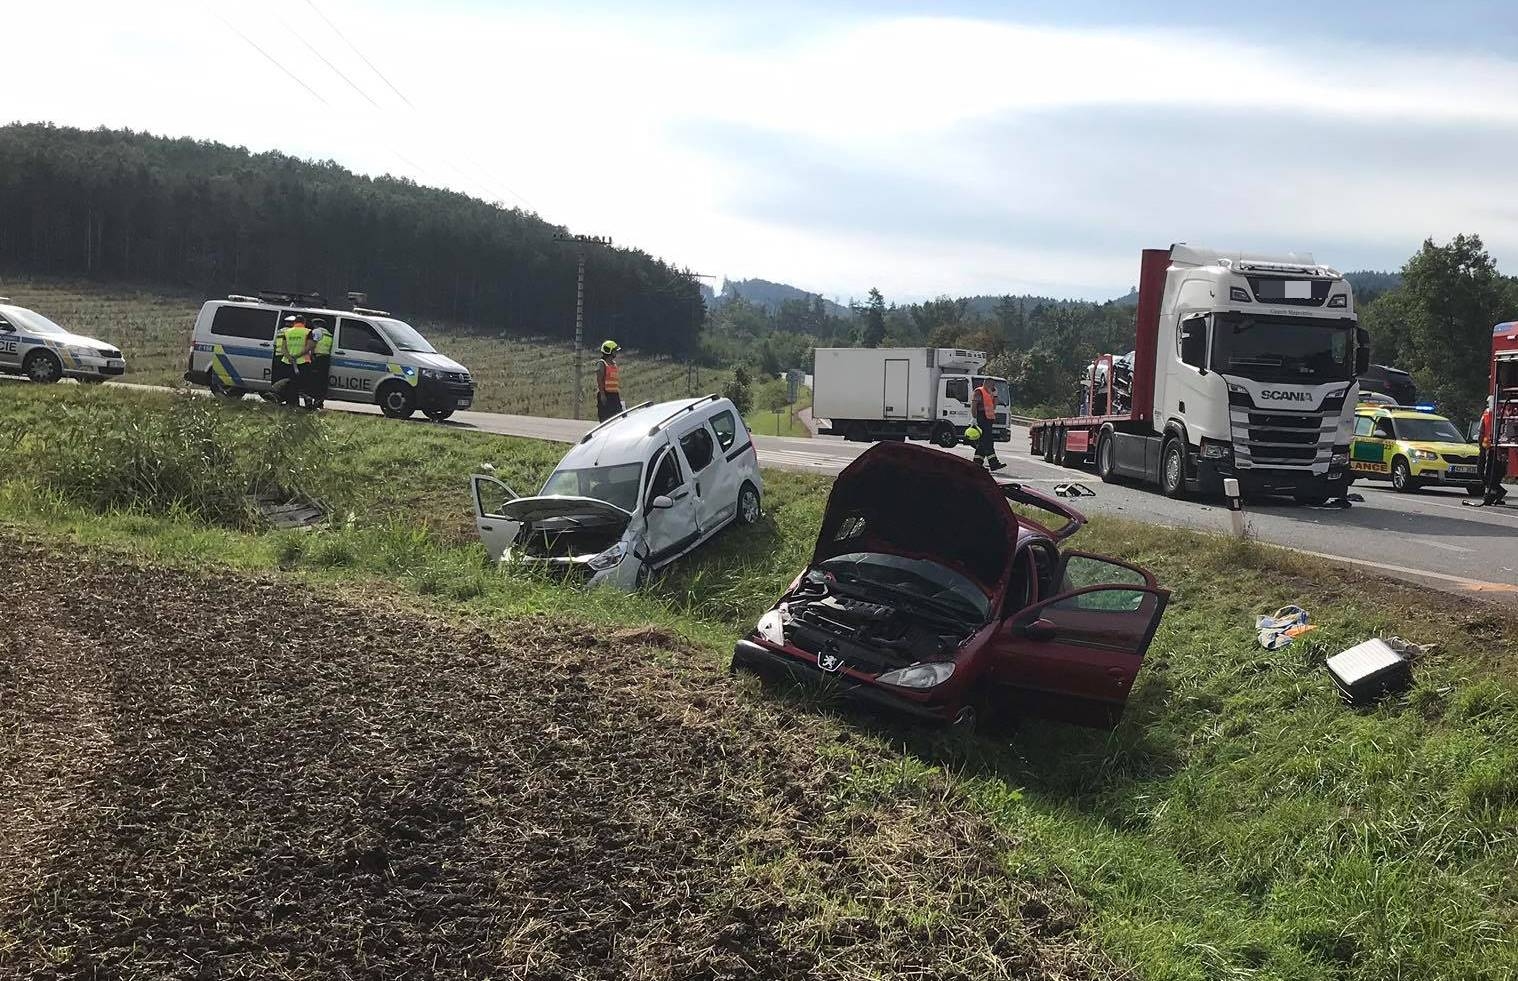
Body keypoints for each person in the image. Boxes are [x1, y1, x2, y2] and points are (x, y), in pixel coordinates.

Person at [1480, 398, 1509, 505]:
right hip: (1487, 447)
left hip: (1498, 448)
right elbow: (1481, 430)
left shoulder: (1504, 411)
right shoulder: (1486, 413)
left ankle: (1492, 494)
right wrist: (1481, 445)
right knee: (1482, 472)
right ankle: (1496, 492)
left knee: (1493, 474)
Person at [971, 379, 1004, 471]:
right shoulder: (979, 391)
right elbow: (974, 405)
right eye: (992, 385)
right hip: (981, 419)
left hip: (988, 420)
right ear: (987, 384)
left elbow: (994, 406)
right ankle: (994, 463)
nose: (994, 387)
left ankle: (977, 464)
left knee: (982, 443)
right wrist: (974, 418)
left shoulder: (990, 394)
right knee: (988, 442)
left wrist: (995, 396)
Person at [282, 314, 313, 407]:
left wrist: (290, 357)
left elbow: (283, 348)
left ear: (294, 322)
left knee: (291, 384)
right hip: (303, 361)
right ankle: (307, 404)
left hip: (289, 362)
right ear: (304, 322)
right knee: (304, 384)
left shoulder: (287, 332)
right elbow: (310, 346)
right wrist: (297, 355)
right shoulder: (308, 332)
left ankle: (292, 404)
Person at [307, 317, 333, 409]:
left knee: (313, 380)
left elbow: (312, 344)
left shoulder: (316, 332)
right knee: (322, 381)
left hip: (317, 358)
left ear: (315, 324)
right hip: (326, 359)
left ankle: (311, 402)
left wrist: (310, 356)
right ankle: (319, 402)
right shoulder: (329, 334)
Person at [270, 316, 296, 402]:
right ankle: (284, 397)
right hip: (285, 357)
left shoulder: (279, 331)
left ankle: (276, 397)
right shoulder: (291, 332)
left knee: (279, 378)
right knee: (287, 379)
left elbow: (274, 344)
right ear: (293, 323)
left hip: (277, 356)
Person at [596, 339, 623, 421]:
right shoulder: (602, 364)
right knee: (606, 419)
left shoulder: (614, 364)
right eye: (615, 351)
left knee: (618, 418)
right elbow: (599, 379)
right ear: (609, 351)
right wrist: (602, 395)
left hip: (614, 395)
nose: (616, 352)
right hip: (606, 394)